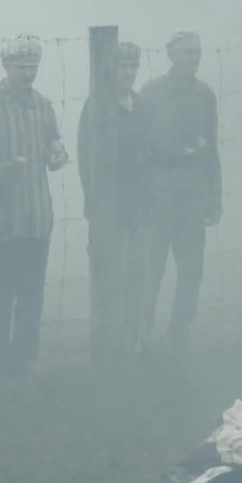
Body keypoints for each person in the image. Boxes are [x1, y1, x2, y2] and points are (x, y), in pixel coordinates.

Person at [0, 35, 68, 380]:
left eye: (33, 67)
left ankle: (24, 361)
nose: (28, 74)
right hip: (0, 221)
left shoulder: (41, 104)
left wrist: (58, 153)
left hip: (37, 217)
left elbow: (54, 141)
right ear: (6, 67)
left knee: (31, 296)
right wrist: (0, 170)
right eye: (21, 67)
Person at [139, 30, 223, 357]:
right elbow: (143, 149)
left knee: (191, 270)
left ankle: (179, 332)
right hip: (159, 199)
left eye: (197, 52)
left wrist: (215, 197)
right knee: (152, 270)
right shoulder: (151, 94)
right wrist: (174, 156)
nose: (194, 58)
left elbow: (211, 147)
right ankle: (142, 331)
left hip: (193, 199)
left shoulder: (205, 95)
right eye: (187, 52)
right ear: (171, 54)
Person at [78, 41, 153, 359]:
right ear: (111, 70)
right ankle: (106, 343)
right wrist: (94, 201)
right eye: (123, 66)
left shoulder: (140, 104)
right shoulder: (97, 106)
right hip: (108, 206)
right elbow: (85, 157)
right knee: (110, 275)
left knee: (137, 274)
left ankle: (132, 339)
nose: (129, 73)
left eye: (133, 67)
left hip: (139, 204)